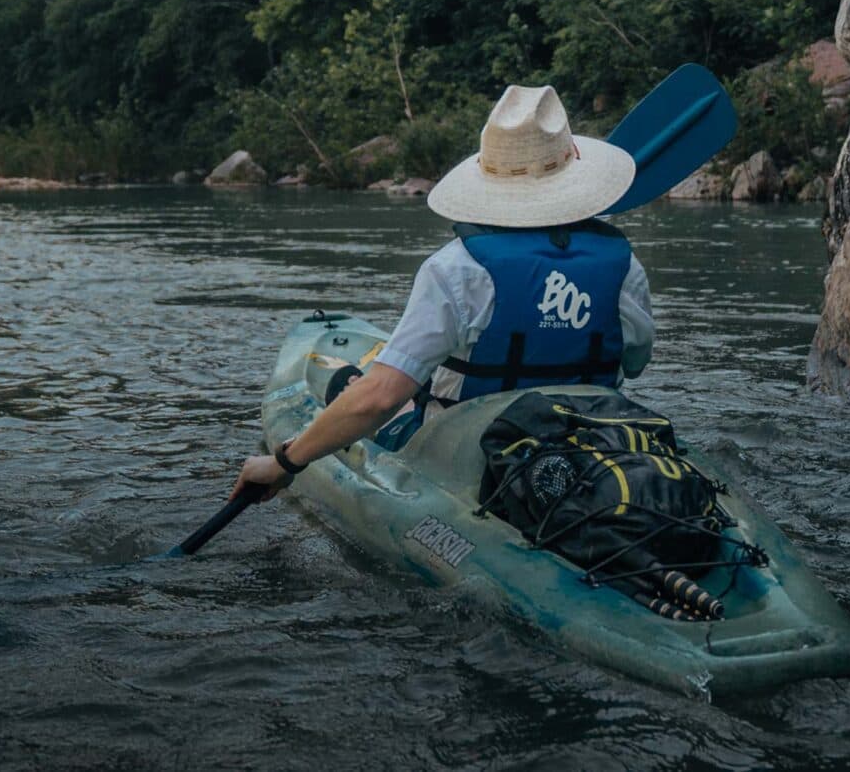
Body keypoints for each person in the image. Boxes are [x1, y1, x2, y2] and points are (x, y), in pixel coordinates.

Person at [229, 84, 654, 501]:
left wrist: (284, 463)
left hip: (471, 457)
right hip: (595, 442)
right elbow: (633, 363)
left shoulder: (458, 268)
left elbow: (379, 397)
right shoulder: (623, 264)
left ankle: (347, 392)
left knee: (357, 387)